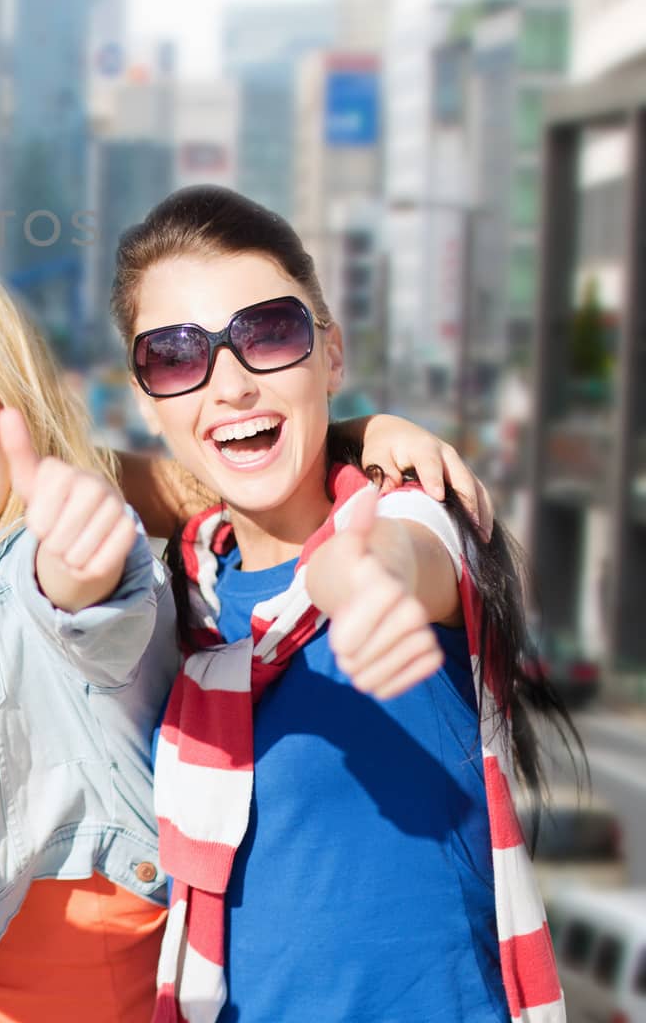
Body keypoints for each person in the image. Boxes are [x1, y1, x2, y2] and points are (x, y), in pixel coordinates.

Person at [0, 250, 485, 1023]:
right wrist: (354, 430)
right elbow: (220, 464)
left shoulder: (38, 558)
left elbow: (91, 608)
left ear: (15, 396)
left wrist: (82, 572)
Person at [113, 186, 570, 1023]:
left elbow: (397, 553)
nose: (230, 382)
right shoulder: (182, 599)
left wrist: (354, 578)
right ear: (147, 398)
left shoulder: (414, 517)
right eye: (177, 356)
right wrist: (357, 426)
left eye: (269, 334)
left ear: (330, 353)